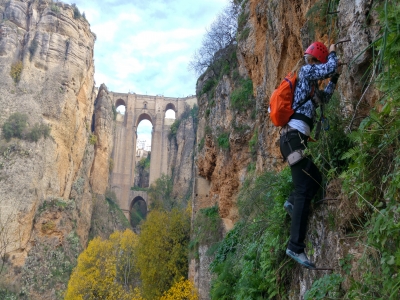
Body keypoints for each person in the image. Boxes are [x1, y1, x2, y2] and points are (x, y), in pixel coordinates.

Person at [280, 42, 340, 269]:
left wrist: (333, 82)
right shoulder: (305, 72)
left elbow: (324, 99)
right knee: (306, 188)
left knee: (314, 178)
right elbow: (329, 68)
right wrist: (333, 53)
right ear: (317, 59)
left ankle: (292, 203)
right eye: (322, 60)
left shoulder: (311, 88)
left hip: (295, 140)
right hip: (293, 138)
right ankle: (295, 247)